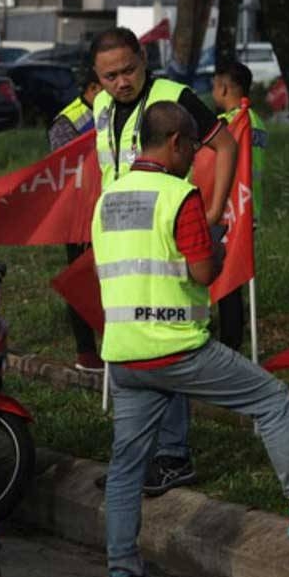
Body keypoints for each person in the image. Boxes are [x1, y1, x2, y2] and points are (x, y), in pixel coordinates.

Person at [92, 100, 289, 577]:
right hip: (177, 348)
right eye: (193, 148)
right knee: (272, 399)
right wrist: (217, 241)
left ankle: (121, 575)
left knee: (126, 468)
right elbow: (203, 272)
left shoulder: (108, 197)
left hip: (124, 356)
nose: (195, 158)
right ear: (175, 142)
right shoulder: (180, 198)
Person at [91, 27, 238, 496]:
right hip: (124, 245)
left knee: (170, 335)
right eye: (110, 75)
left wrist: (212, 212)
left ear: (143, 59)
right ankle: (137, 460)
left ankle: (174, 456)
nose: (121, 82)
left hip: (169, 234)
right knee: (133, 340)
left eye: (129, 70)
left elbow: (227, 144)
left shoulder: (172, 97)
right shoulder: (100, 107)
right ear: (97, 78)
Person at [208, 61, 268, 352]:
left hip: (229, 211)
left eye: (213, 86)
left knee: (225, 281)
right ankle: (233, 341)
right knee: (237, 279)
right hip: (249, 208)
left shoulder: (231, 123)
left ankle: (229, 344)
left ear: (224, 87)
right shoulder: (257, 120)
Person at [48, 65, 105, 372]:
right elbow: (64, 172)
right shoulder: (67, 122)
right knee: (81, 280)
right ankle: (86, 351)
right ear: (93, 88)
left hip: (110, 211)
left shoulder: (113, 110)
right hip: (79, 217)